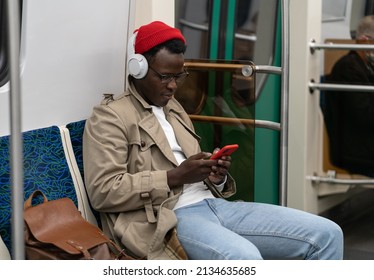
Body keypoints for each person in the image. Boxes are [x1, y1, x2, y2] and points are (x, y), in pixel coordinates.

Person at [83, 21, 343, 260]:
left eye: (178, 77)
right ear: (137, 69)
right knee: (244, 259)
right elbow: (103, 191)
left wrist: (213, 173)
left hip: (215, 204)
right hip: (168, 217)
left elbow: (188, 165)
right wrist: (174, 177)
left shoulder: (173, 108)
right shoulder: (111, 117)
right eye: (164, 77)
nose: (173, 86)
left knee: (327, 234)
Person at [323, 15, 374, 177]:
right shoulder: (349, 68)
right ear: (365, 41)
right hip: (354, 150)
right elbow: (364, 116)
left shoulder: (365, 67)